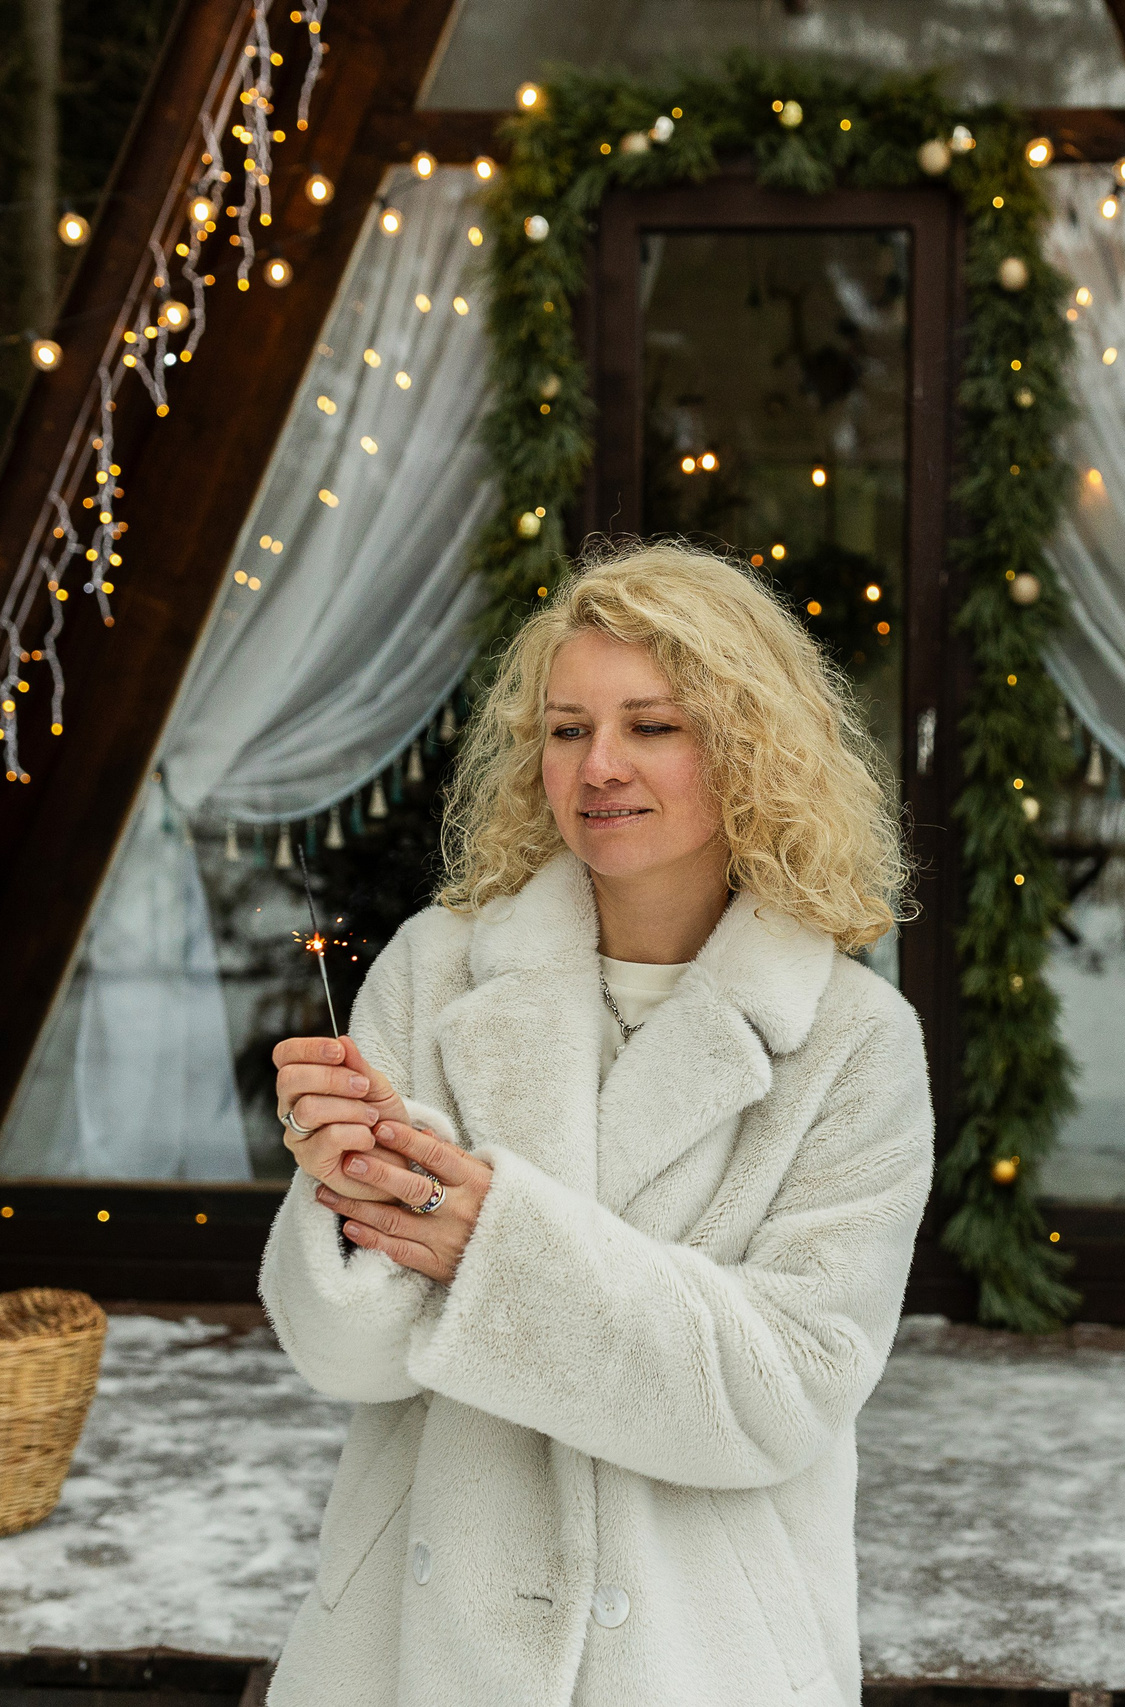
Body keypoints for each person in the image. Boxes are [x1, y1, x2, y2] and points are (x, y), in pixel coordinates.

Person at [256, 541, 934, 1707]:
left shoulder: (853, 1041)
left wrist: (492, 1249)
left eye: (652, 726)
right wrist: (350, 1196)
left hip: (698, 1658)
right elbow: (341, 1357)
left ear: (750, 745)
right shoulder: (435, 969)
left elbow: (782, 1393)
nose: (598, 766)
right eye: (566, 728)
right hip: (416, 1656)